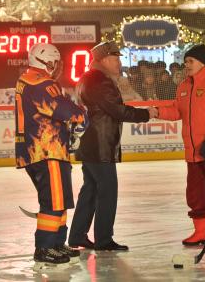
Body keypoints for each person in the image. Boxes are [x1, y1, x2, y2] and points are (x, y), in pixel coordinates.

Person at [150, 44, 205, 247]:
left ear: (201, 62)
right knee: (195, 194)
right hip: (194, 152)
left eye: (190, 61)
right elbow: (176, 111)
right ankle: (201, 232)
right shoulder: (184, 86)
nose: (186, 66)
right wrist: (156, 112)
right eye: (185, 62)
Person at [68, 41, 154, 251]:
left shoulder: (87, 78)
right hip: (100, 145)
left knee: (90, 190)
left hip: (90, 144)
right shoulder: (100, 80)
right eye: (116, 59)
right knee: (107, 191)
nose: (119, 63)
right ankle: (104, 239)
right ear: (104, 59)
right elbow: (118, 110)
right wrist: (147, 113)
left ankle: (78, 235)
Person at [15, 43, 87, 269]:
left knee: (60, 200)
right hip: (46, 150)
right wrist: (81, 115)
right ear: (48, 62)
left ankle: (57, 241)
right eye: (55, 62)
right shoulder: (39, 82)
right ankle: (45, 247)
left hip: (46, 150)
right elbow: (62, 109)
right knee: (53, 201)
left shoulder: (31, 79)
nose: (57, 67)